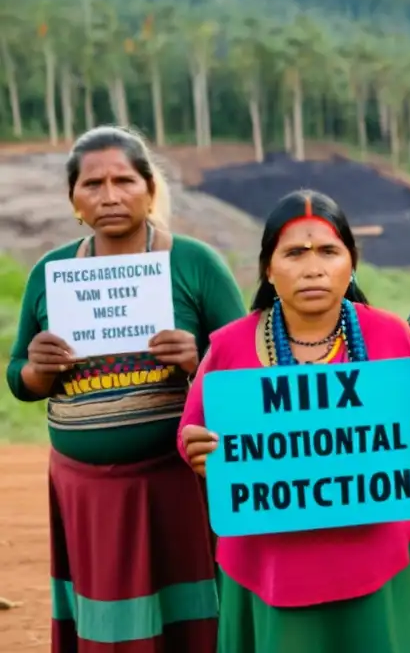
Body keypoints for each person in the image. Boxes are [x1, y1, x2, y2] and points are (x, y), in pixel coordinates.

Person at [178, 189, 410, 653]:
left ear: (352, 262)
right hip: (267, 564)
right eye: (294, 253)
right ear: (269, 268)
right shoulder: (229, 346)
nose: (313, 268)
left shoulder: (390, 336)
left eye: (329, 251)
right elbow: (192, 442)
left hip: (376, 560)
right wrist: (199, 450)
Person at [6, 125, 247, 651]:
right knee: (111, 629)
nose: (110, 195)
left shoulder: (193, 263)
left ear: (149, 188)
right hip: (86, 492)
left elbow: (246, 368)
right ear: (73, 199)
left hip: (180, 485)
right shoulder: (51, 273)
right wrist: (37, 372)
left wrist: (199, 361)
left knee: (194, 621)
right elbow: (18, 377)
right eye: (92, 184)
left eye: (124, 180)